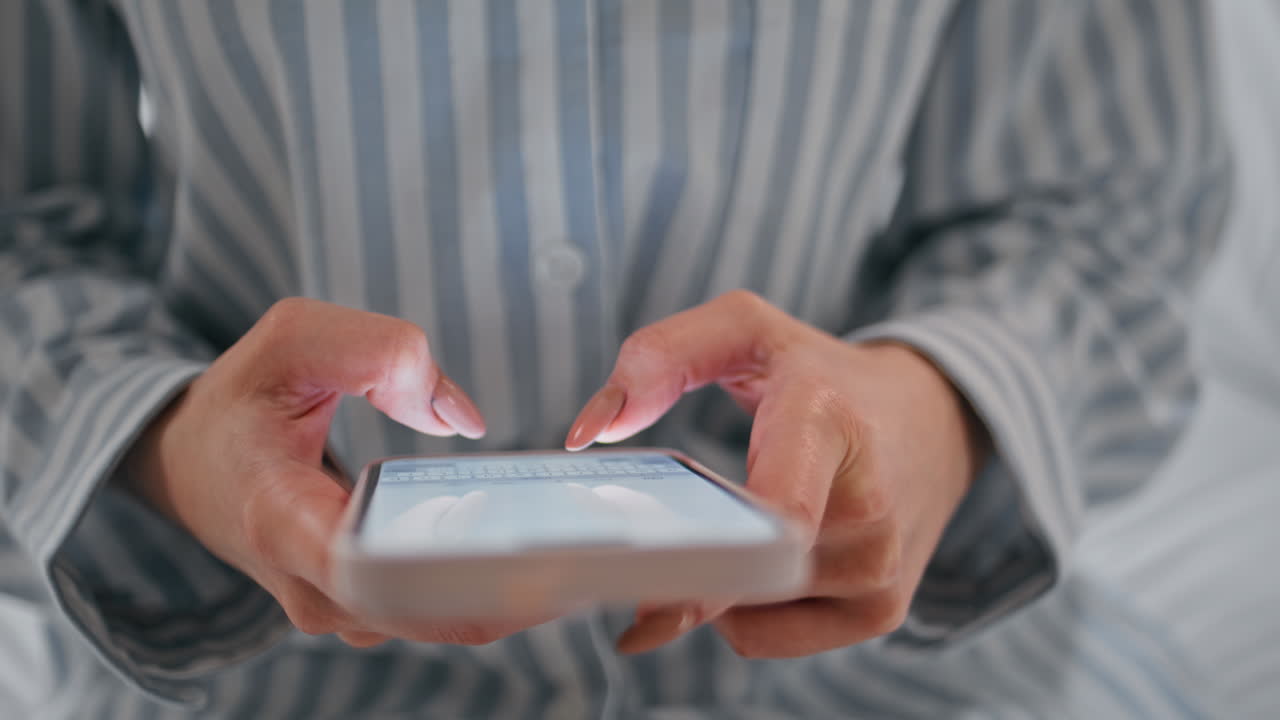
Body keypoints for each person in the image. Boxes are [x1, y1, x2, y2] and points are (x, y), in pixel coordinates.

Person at [0, 1, 1230, 717]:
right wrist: (167, 447)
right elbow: (18, 226)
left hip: (905, 681)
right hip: (268, 676)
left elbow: (1097, 215)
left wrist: (930, 410)